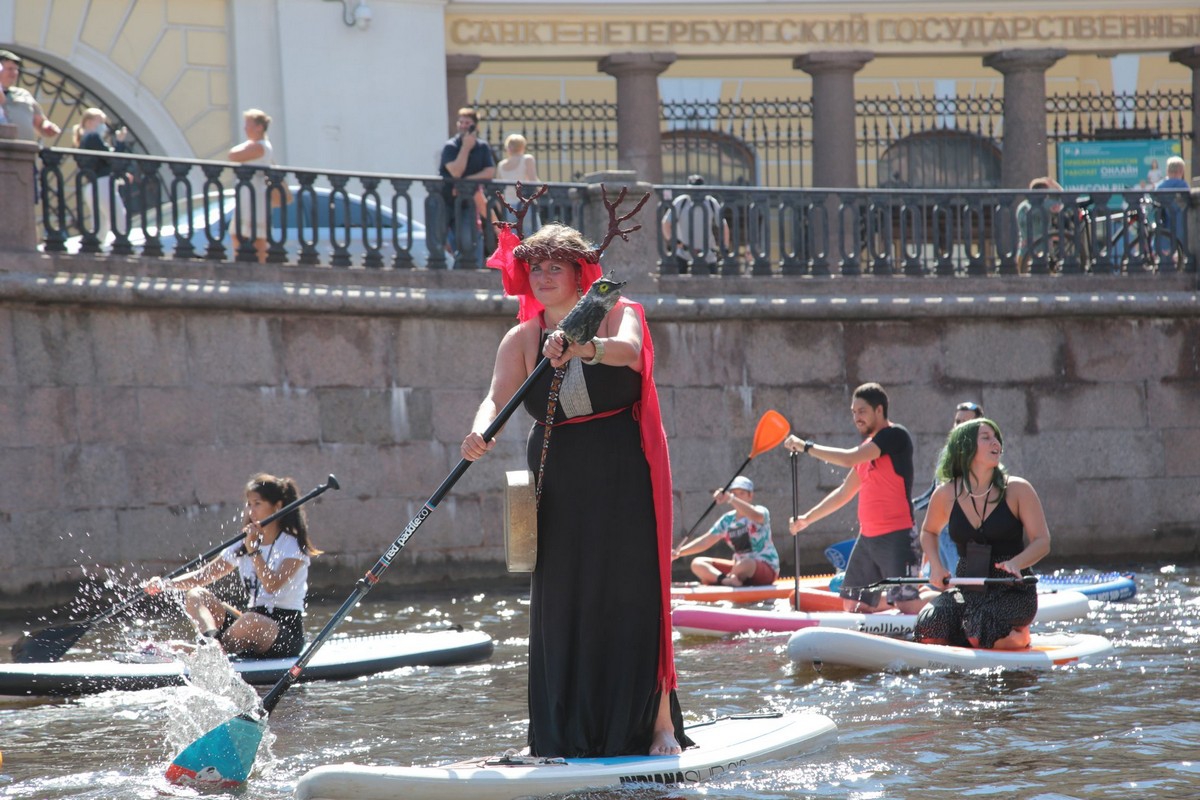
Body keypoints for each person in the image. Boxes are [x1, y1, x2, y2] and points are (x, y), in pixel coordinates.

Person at [460, 221, 689, 758]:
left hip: (622, 468)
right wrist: (479, 430)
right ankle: (562, 732)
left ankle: (658, 725)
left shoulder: (619, 311)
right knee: (562, 600)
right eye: (534, 268)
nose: (542, 276)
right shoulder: (521, 338)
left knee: (635, 593)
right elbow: (495, 398)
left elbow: (629, 352)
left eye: (553, 267)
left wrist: (582, 348)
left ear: (578, 273)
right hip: (556, 476)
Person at [144, 473, 320, 658]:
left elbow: (272, 585)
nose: (251, 511)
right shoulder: (242, 544)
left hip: (284, 634)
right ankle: (210, 643)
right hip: (248, 624)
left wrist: (253, 550)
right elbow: (203, 575)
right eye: (249, 504)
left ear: (277, 507)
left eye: (257, 504)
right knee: (196, 594)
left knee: (250, 620)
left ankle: (198, 652)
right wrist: (165, 584)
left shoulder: (293, 546)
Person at [784, 382, 923, 615]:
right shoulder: (866, 448)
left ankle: (949, 610)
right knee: (855, 606)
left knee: (906, 604)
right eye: (853, 412)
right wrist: (807, 519)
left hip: (897, 537)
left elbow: (849, 458)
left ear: (879, 410)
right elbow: (844, 493)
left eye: (862, 411)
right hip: (868, 539)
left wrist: (806, 446)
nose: (856, 417)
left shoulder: (895, 436)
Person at [913, 418, 1050, 650]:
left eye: (996, 437)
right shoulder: (945, 493)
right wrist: (936, 566)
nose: (995, 442)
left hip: (1012, 588)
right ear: (965, 448)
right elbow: (928, 531)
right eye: (986, 437)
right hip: (968, 585)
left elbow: (1042, 541)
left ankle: (1020, 636)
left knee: (981, 628)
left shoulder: (1018, 489)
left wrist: (1017, 563)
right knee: (929, 626)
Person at [912, 400, 985, 571]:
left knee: (962, 583)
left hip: (962, 533)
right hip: (941, 531)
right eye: (957, 421)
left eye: (966, 422)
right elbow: (934, 492)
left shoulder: (982, 455)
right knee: (935, 582)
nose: (959, 426)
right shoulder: (947, 453)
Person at [671, 475, 780, 587]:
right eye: (735, 494)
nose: (738, 497)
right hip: (737, 567)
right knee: (697, 563)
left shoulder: (761, 511)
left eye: (741, 493)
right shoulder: (727, 520)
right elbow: (705, 541)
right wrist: (679, 552)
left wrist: (731, 498)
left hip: (765, 568)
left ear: (750, 496)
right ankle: (727, 581)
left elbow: (756, 515)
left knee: (746, 563)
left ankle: (730, 579)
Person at [439, 107, 496, 267]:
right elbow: (455, 172)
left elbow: (490, 171)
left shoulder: (482, 147)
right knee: (439, 241)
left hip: (467, 203)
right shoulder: (451, 146)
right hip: (445, 201)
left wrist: (467, 180)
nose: (463, 125)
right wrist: (465, 147)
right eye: (461, 122)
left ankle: (466, 272)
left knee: (467, 241)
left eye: (468, 123)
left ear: (475, 126)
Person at [73, 108, 130, 245]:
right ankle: (120, 253)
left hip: (92, 187)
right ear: (88, 122)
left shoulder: (84, 140)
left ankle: (94, 253)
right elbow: (112, 160)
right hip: (103, 185)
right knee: (120, 223)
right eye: (100, 121)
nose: (103, 125)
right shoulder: (93, 137)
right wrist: (120, 142)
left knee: (100, 230)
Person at [228, 108, 275, 264]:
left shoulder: (260, 146)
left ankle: (260, 265)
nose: (245, 128)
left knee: (257, 235)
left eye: (248, 124)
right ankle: (241, 261)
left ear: (259, 127)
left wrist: (248, 144)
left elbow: (233, 155)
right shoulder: (257, 145)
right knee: (238, 232)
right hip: (248, 195)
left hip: (255, 196)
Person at [660, 174, 728, 275]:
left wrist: (725, 248)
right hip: (683, 256)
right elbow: (665, 223)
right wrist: (673, 241)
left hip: (708, 255)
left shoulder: (711, 202)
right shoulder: (681, 202)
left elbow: (723, 226)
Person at [0, 50, 61, 142]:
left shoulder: (23, 94)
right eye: (9, 69)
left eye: (16, 69)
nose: (14, 73)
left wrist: (47, 126)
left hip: (24, 151)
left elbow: (40, 122)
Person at [1015, 176, 1065, 274]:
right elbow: (1066, 201)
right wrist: (1055, 185)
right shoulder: (1045, 204)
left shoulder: (1021, 207)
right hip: (1043, 256)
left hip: (1023, 255)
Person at [496, 133, 540, 220]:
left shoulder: (501, 165)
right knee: (532, 232)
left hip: (509, 206)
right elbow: (533, 181)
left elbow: (498, 189)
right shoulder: (527, 159)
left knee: (514, 232)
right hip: (524, 204)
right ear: (523, 146)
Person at [1155, 156, 1189, 264]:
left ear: (1167, 170)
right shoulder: (1182, 185)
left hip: (1164, 225)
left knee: (1165, 253)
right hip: (1181, 224)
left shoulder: (1159, 186)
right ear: (1181, 171)